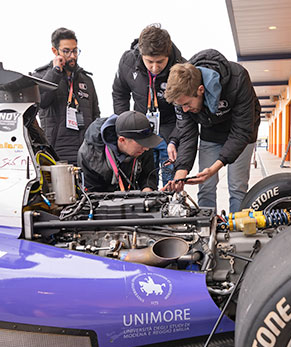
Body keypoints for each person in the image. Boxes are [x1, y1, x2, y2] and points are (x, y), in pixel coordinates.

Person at [164, 50, 261, 212]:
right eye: (181, 106)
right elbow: (187, 134)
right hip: (211, 131)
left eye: (187, 104)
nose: (185, 109)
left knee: (237, 186)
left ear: (200, 89)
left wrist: (216, 167)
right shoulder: (182, 97)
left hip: (243, 132)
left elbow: (242, 130)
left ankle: (237, 230)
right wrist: (181, 173)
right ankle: (206, 231)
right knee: (205, 187)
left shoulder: (238, 78)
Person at [112, 24, 184, 187]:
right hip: (141, 132)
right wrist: (125, 125)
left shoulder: (180, 68)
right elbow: (119, 93)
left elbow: (184, 112)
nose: (154, 67)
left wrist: (175, 139)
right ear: (141, 54)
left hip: (169, 131)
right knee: (144, 182)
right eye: (149, 62)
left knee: (169, 183)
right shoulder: (127, 62)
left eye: (160, 62)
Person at [33, 27, 100, 164]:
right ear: (54, 51)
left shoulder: (86, 80)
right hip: (56, 152)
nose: (72, 56)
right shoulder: (41, 76)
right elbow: (43, 102)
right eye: (66, 51)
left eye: (75, 50)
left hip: (85, 152)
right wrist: (56, 71)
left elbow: (95, 115)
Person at [78, 110, 161, 192]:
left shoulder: (142, 146)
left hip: (133, 196)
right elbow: (93, 194)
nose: (146, 148)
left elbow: (148, 176)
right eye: (141, 143)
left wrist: (147, 190)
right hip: (102, 199)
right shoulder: (90, 154)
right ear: (122, 140)